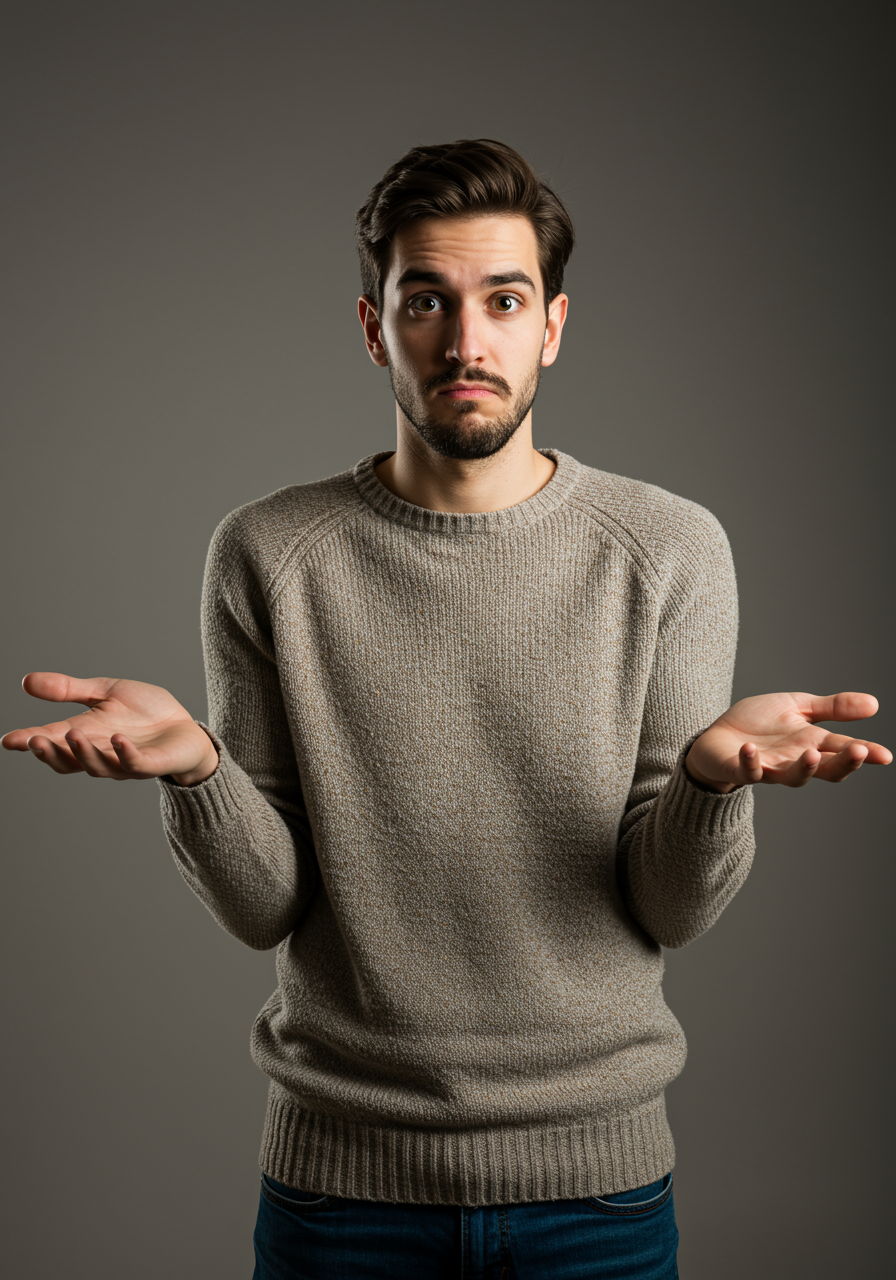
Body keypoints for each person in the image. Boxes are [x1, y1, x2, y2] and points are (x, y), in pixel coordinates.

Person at [2, 139, 890, 1280]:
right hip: (340, 1191)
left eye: (502, 301)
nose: (464, 341)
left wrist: (707, 786)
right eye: (425, 301)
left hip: (597, 1193)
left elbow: (665, 909)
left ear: (551, 327)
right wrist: (199, 775)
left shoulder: (669, 549)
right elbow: (267, 907)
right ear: (375, 326)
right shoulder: (269, 551)